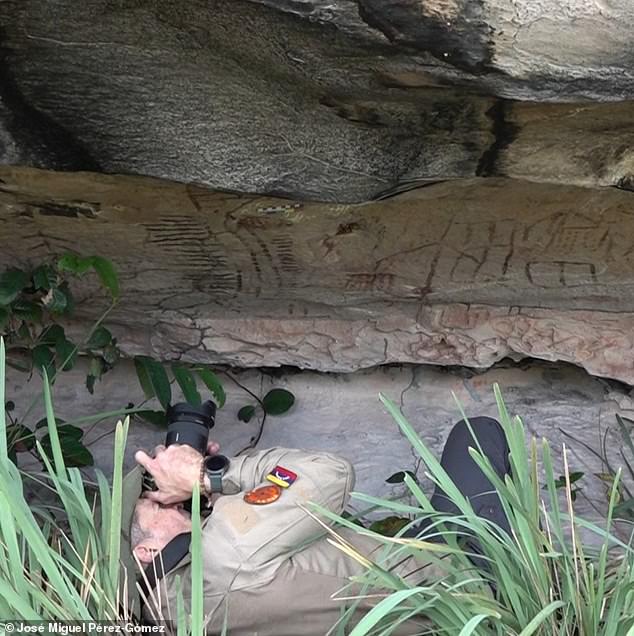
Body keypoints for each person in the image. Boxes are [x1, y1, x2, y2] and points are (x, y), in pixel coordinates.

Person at [119, 416, 511, 634]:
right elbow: (331, 474)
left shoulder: (167, 613)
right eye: (154, 500)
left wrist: (212, 496)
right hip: (455, 587)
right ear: (146, 550)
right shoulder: (225, 551)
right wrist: (207, 475)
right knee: (477, 432)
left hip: (393, 612)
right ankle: (513, 587)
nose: (171, 495)